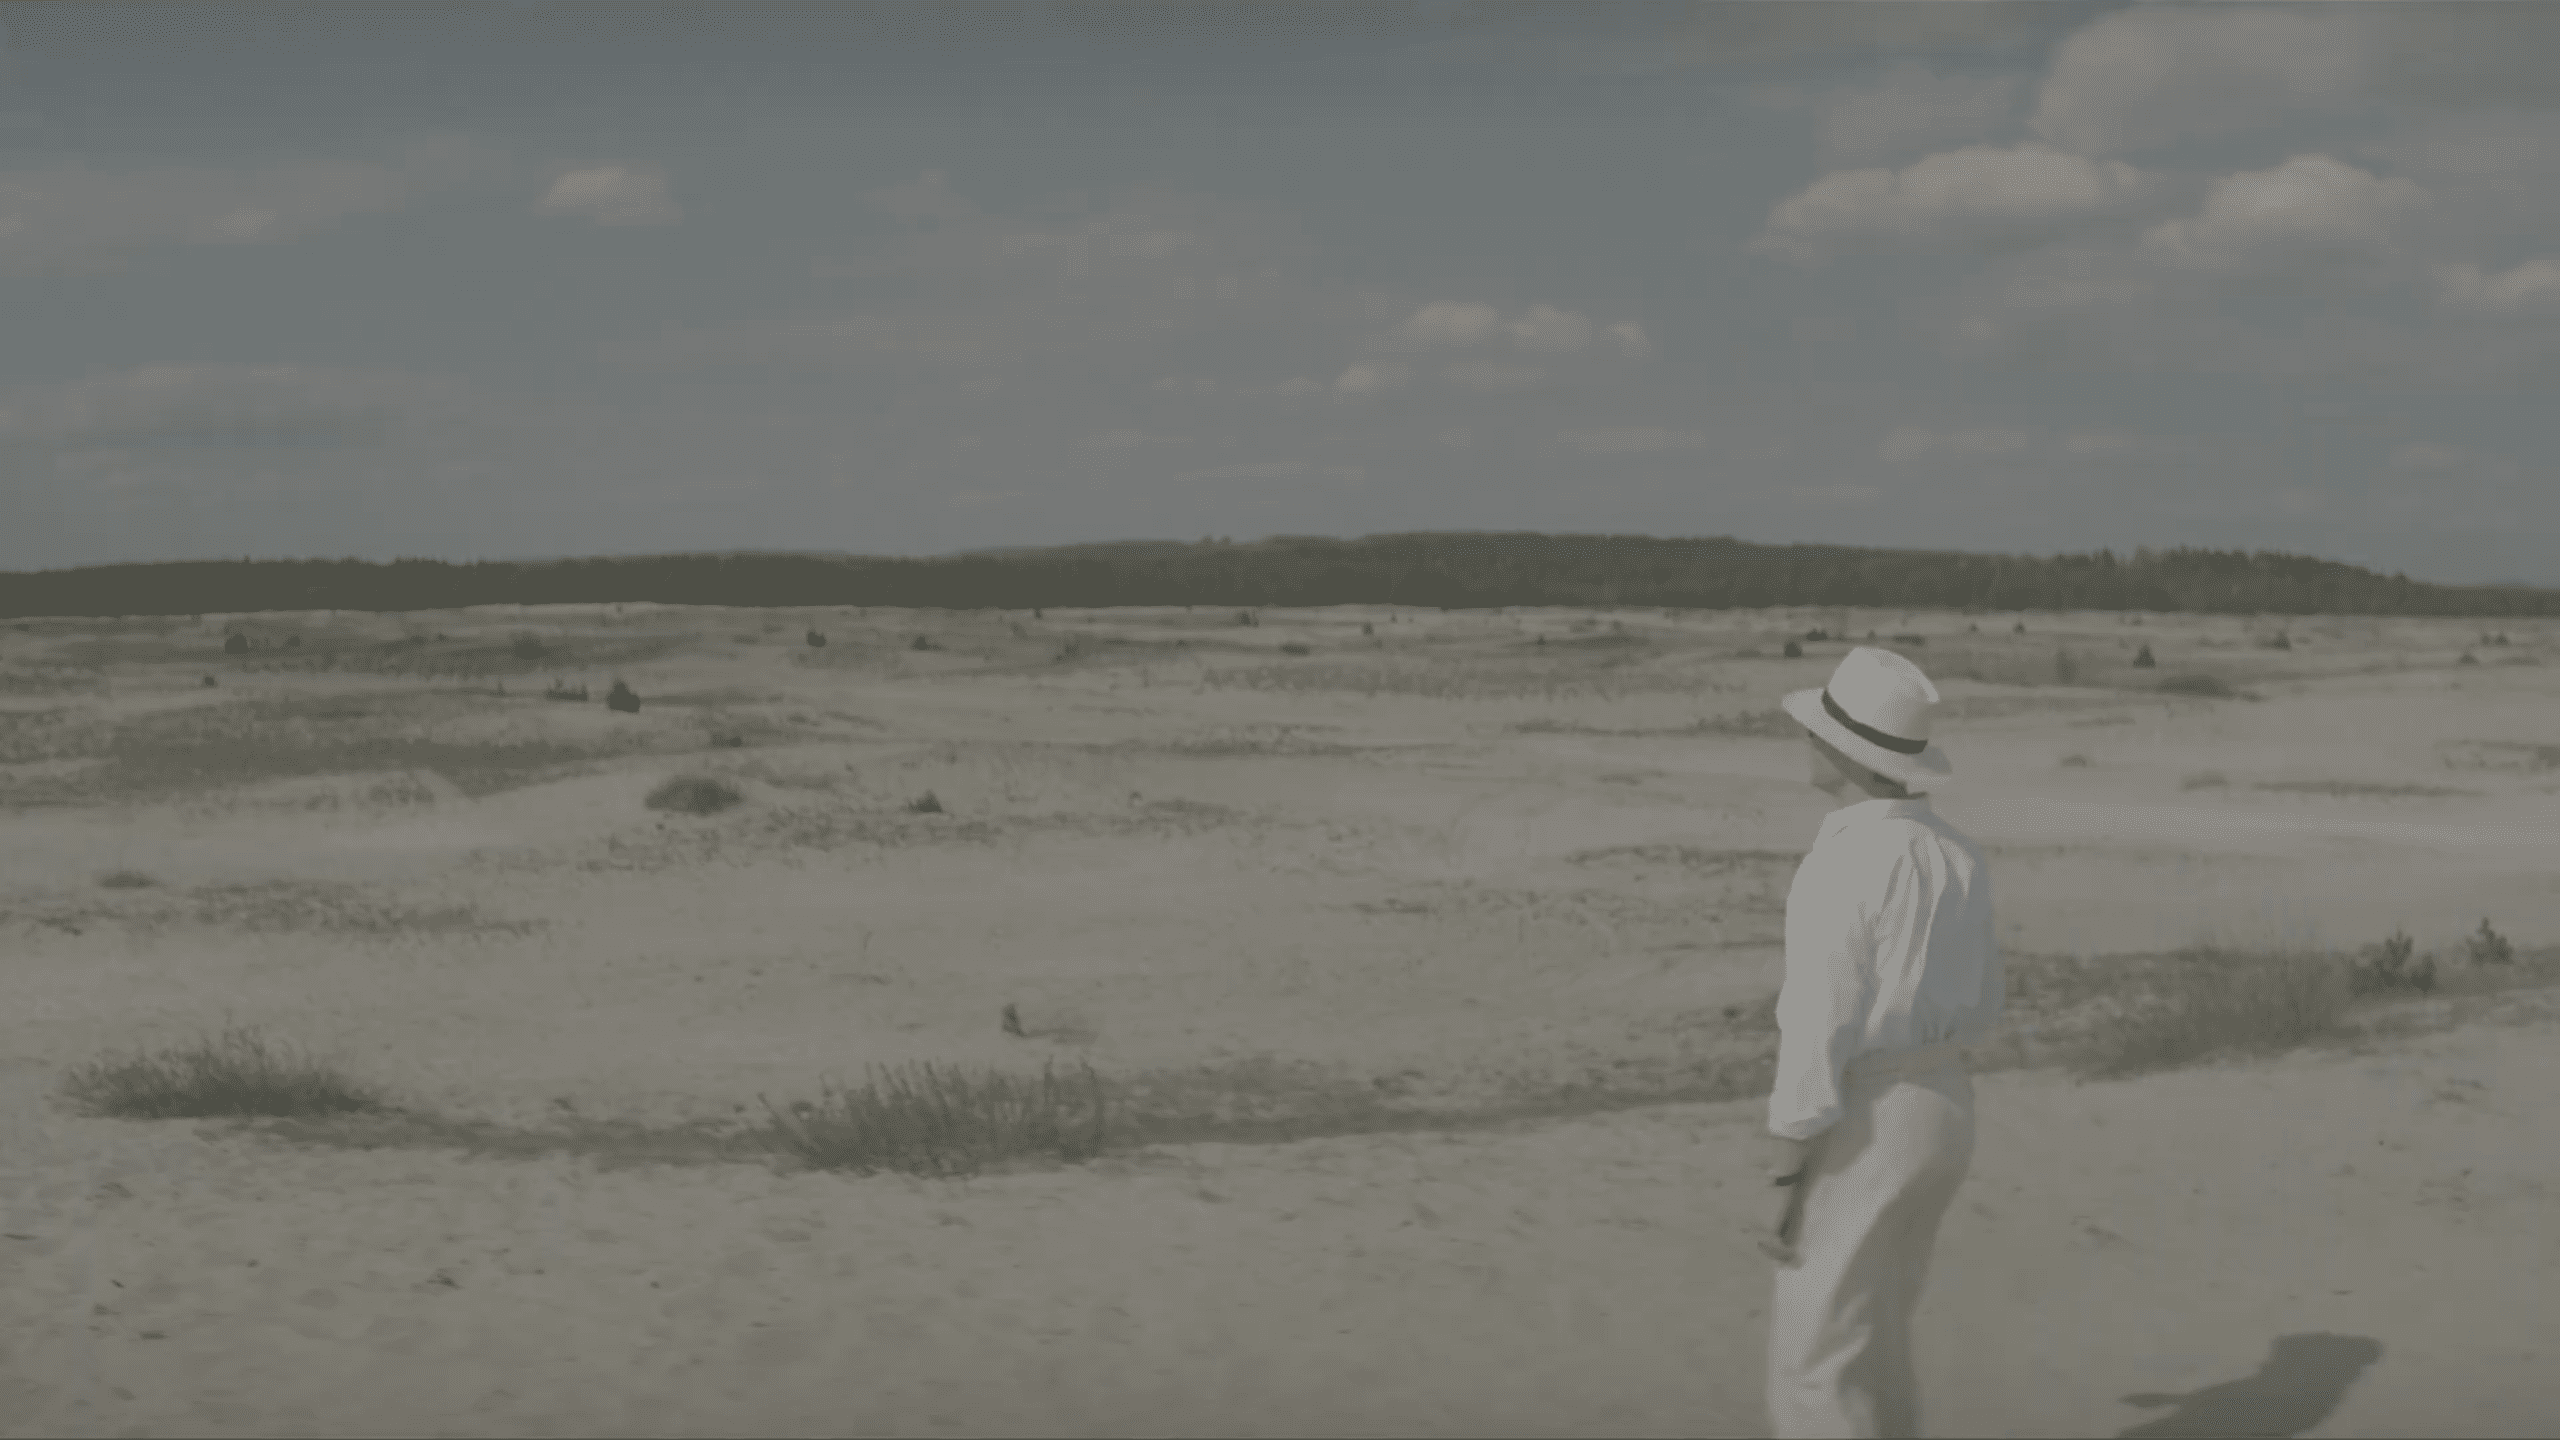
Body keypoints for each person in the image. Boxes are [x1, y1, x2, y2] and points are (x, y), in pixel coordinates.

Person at [1756, 645, 2003, 1439]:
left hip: (1872, 1119)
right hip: (1944, 1104)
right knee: (1879, 1338)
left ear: (1839, 749)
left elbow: (1818, 1023)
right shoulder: (1957, 854)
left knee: (1817, 1361)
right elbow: (1985, 997)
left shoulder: (1843, 863)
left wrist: (1788, 1172)